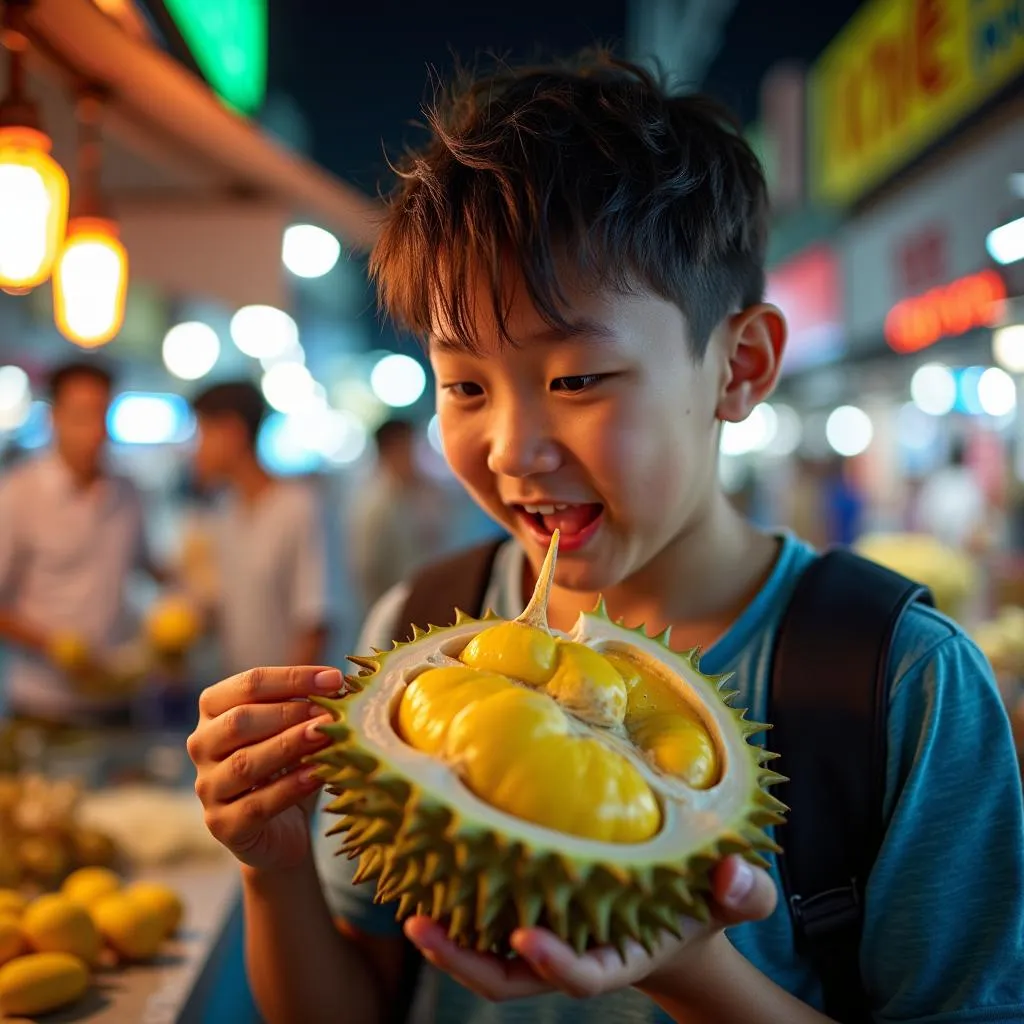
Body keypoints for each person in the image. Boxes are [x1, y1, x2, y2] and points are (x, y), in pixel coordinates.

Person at [185, 52, 1024, 1024]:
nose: (511, 449)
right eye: (463, 385)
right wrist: (272, 870)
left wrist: (692, 973)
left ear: (738, 367)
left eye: (578, 379)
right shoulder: (414, 626)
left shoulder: (902, 684)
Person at [0, 359, 164, 726]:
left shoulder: (127, 491)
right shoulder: (18, 493)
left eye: (103, 415)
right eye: (82, 416)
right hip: (44, 702)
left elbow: (148, 567)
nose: (95, 431)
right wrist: (53, 645)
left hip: (119, 695)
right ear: (54, 418)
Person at [187, 380, 335, 673]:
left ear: (232, 433)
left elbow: (316, 620)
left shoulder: (299, 508)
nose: (195, 450)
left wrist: (285, 703)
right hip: (244, 695)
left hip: (296, 701)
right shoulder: (225, 511)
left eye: (202, 434)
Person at [348, 418, 453, 612]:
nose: (410, 456)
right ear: (386, 453)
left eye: (411, 446)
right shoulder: (374, 505)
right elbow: (368, 570)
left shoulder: (428, 493)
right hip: (396, 608)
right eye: (403, 448)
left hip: (436, 599)